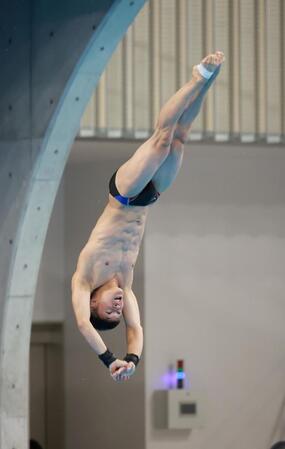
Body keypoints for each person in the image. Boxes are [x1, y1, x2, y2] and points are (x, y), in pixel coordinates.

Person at [72, 51, 225, 382]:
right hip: (149, 199)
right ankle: (206, 85)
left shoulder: (85, 278)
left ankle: (198, 75)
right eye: (117, 314)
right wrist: (131, 360)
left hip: (124, 195)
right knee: (180, 139)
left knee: (162, 139)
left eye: (106, 311)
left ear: (93, 300)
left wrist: (108, 359)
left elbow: (83, 324)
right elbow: (136, 327)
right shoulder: (125, 289)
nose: (116, 309)